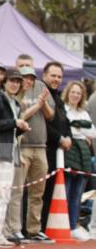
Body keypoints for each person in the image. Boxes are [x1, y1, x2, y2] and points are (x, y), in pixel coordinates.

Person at [0, 68, 29, 247]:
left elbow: (7, 129)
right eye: (12, 80)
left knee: (4, 195)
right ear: (4, 81)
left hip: (8, 152)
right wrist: (14, 123)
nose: (15, 84)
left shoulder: (13, 102)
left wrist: (19, 127)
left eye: (18, 81)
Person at [17, 65, 55, 242]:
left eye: (31, 78)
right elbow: (20, 117)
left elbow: (50, 115)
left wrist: (44, 103)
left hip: (41, 146)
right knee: (18, 190)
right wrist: (37, 106)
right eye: (26, 77)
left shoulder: (41, 87)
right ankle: (16, 229)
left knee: (37, 191)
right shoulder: (16, 91)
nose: (29, 81)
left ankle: (34, 229)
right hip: (23, 145)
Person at [41, 62, 72, 234]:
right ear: (44, 75)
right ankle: (37, 228)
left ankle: (45, 228)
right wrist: (60, 138)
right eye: (53, 75)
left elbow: (64, 122)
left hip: (58, 153)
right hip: (45, 150)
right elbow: (44, 124)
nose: (56, 79)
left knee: (52, 192)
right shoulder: (41, 94)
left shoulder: (58, 98)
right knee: (42, 192)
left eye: (59, 76)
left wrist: (69, 138)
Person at [62, 81, 95, 241]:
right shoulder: (63, 109)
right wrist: (80, 130)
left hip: (83, 154)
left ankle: (74, 225)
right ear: (68, 92)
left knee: (78, 193)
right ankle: (64, 225)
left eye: (78, 93)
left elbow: (93, 132)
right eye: (73, 92)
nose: (75, 95)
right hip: (69, 151)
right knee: (66, 191)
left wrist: (78, 128)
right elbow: (66, 129)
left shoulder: (84, 112)